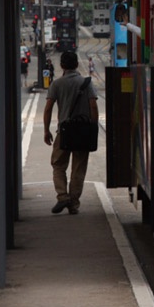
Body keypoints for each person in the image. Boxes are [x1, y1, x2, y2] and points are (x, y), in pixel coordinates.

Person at [42, 50, 98, 215]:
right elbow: (93, 106)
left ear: (61, 66)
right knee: (78, 168)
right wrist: (93, 128)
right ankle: (73, 204)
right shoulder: (86, 83)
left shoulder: (57, 84)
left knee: (58, 164)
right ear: (77, 64)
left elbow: (48, 108)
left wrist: (46, 130)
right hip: (83, 132)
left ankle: (62, 196)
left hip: (64, 131)